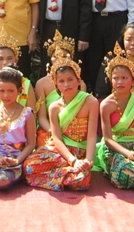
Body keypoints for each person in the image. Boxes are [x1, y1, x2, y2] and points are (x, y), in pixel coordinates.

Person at [23, 50, 98, 191]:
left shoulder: (90, 102)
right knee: (29, 167)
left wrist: (88, 161)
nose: (66, 84)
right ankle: (68, 174)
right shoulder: (54, 107)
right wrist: (72, 161)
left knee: (82, 180)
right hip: (61, 151)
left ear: (78, 80)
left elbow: (92, 135)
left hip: (80, 151)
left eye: (70, 79)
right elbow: (56, 139)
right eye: (61, 81)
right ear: (56, 84)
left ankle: (67, 175)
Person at [93, 42, 134, 191]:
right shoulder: (106, 105)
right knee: (127, 177)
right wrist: (132, 156)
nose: (120, 82)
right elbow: (108, 139)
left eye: (124, 77)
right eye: (116, 78)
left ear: (133, 80)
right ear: (110, 79)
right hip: (115, 149)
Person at [34, 31, 87, 147]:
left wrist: (68, 132)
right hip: (49, 129)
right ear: (50, 59)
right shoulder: (41, 84)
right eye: (55, 56)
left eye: (64, 56)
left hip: (74, 131)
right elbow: (42, 117)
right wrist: (53, 132)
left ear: (71, 58)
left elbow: (80, 115)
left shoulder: (80, 84)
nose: (59, 59)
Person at [0, 28, 36, 127]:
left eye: (10, 58)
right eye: (0, 58)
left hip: (21, 132)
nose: (5, 62)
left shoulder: (26, 84)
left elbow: (32, 117)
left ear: (16, 60)